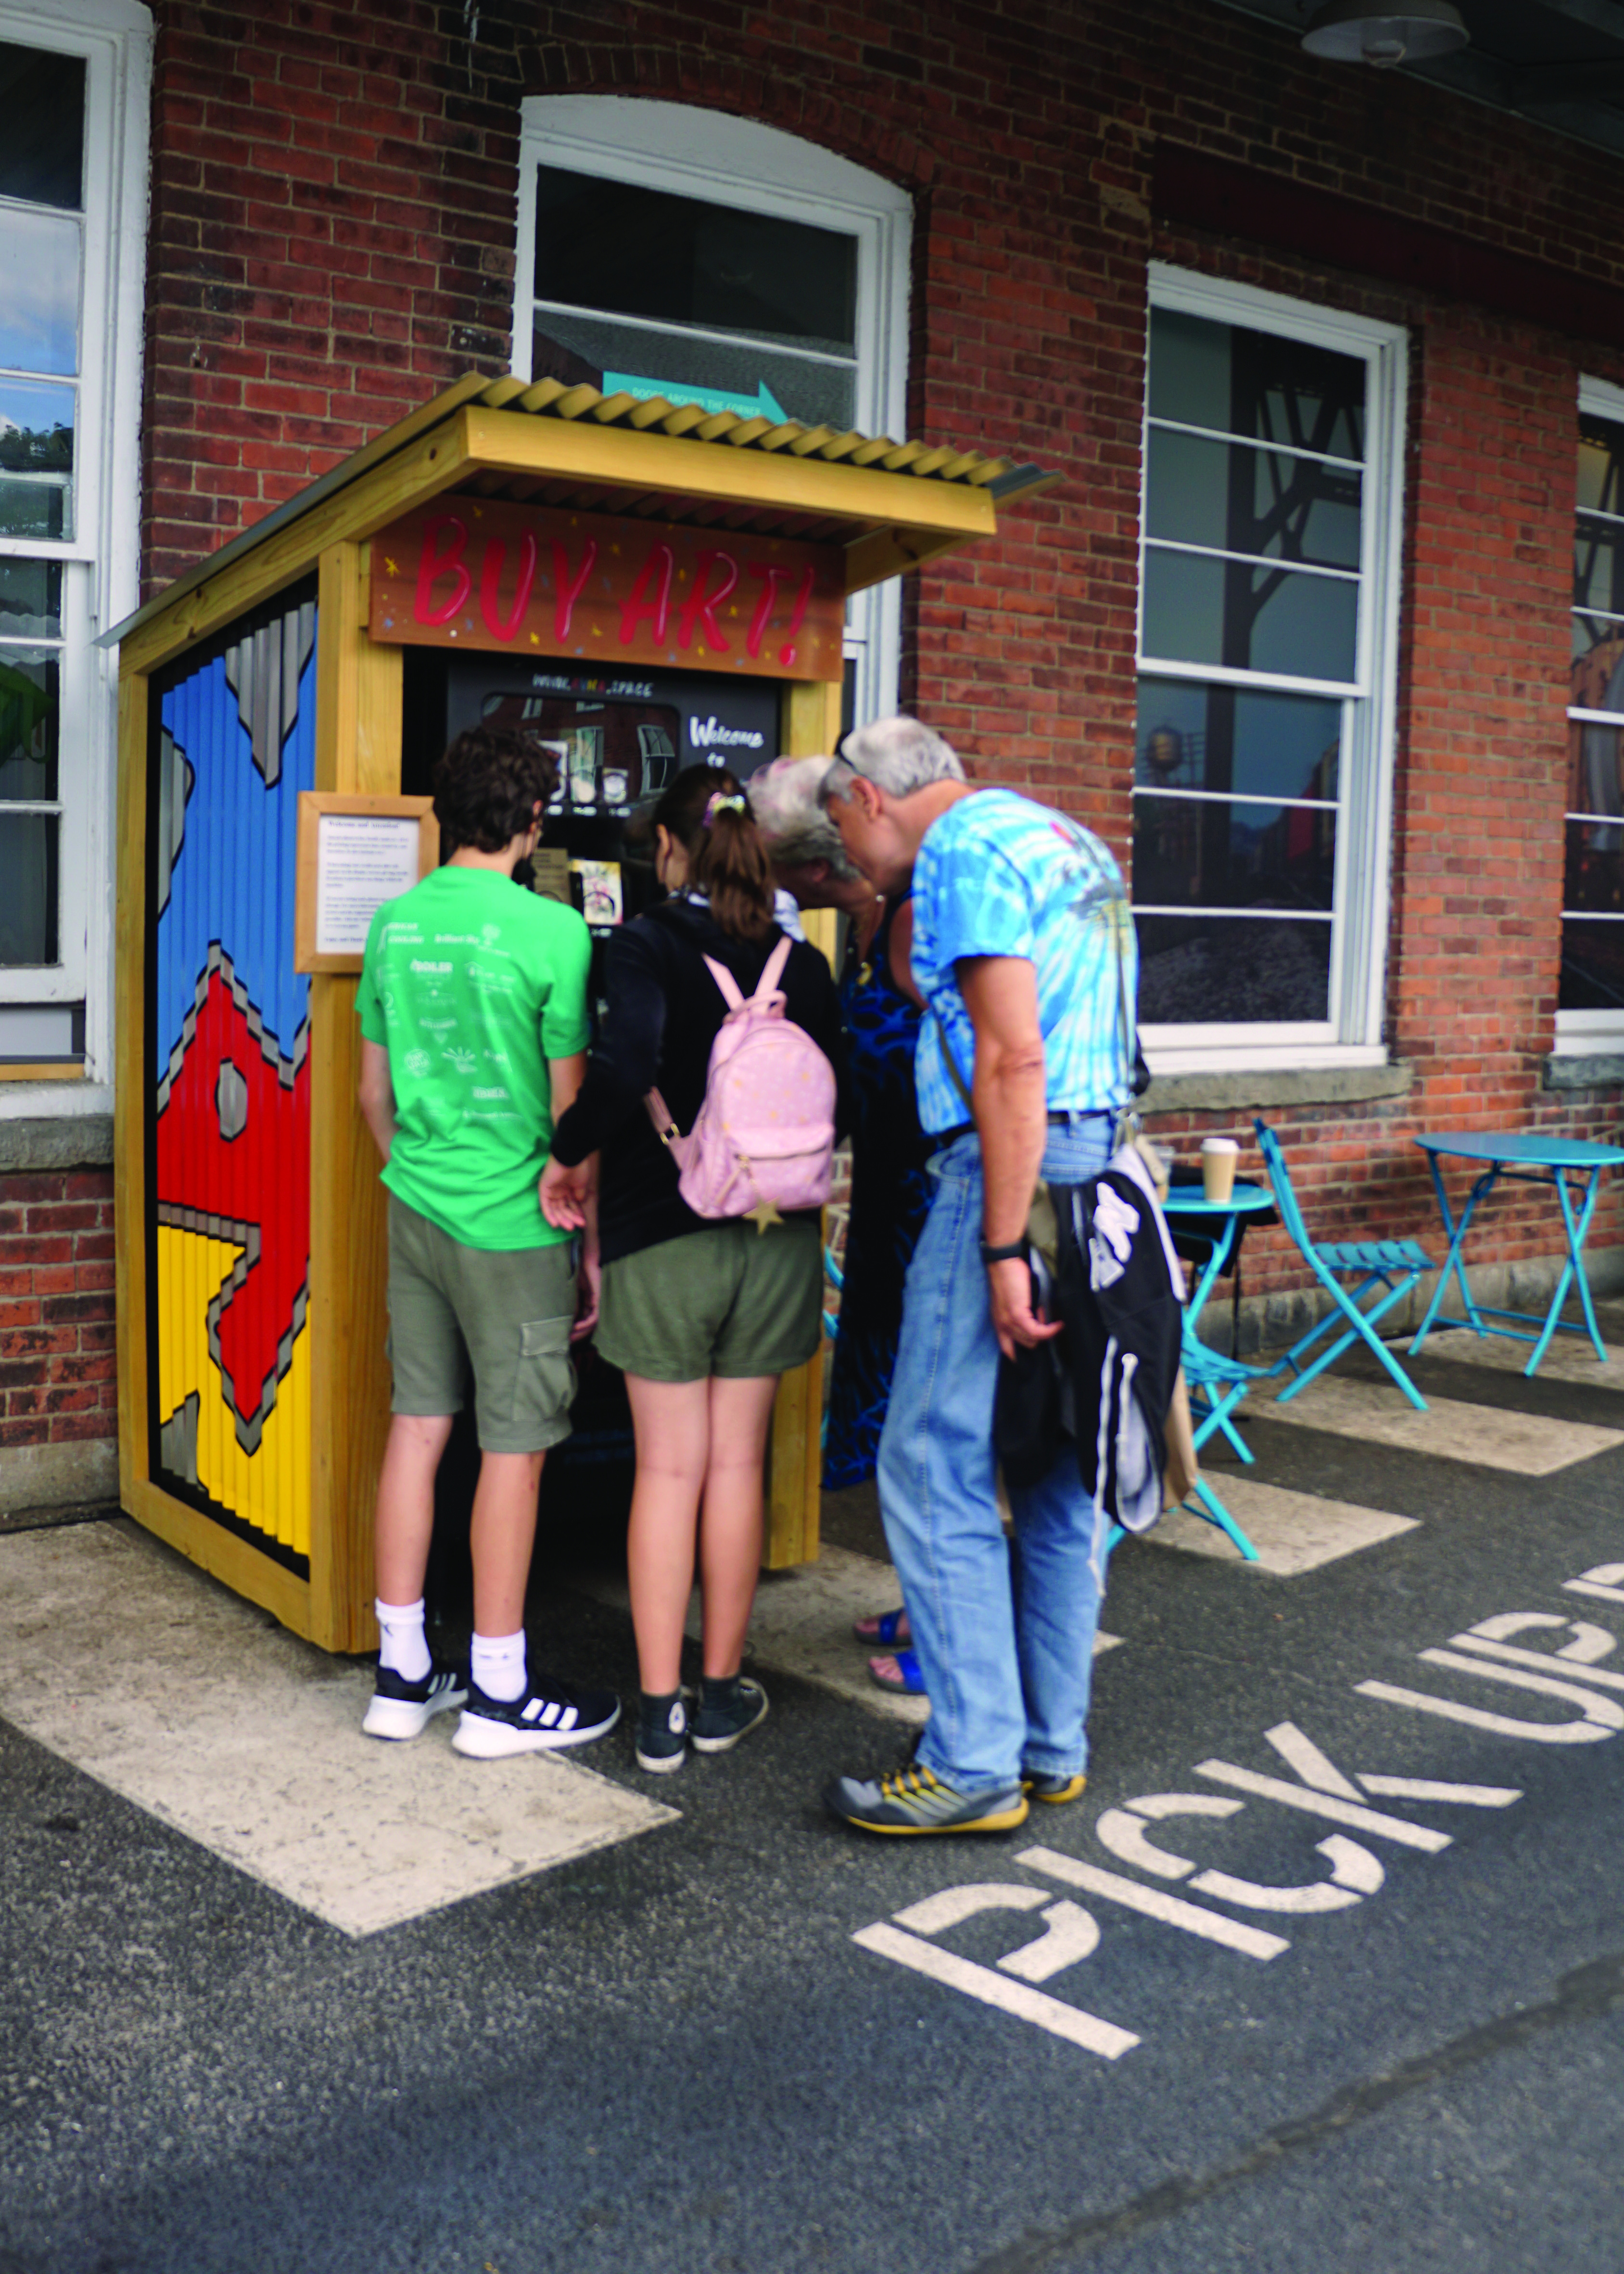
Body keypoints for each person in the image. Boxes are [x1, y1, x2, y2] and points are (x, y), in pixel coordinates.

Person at [817, 717, 1138, 1835]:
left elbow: (1009, 1054)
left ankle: (968, 1762)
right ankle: (1047, 1748)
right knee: (1054, 1468)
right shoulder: (1061, 836)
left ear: (867, 796)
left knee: (925, 1456)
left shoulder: (955, 853)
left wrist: (1002, 1244)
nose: (847, 863)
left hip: (1009, 1170)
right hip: (1094, 1163)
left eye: (841, 833)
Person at [541, 766, 848, 1776]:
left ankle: (660, 1713)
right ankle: (721, 1692)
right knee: (735, 1466)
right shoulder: (803, 963)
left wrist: (568, 1145)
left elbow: (623, 1066)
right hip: (774, 1240)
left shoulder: (641, 943)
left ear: (667, 849)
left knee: (666, 1469)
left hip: (663, 1232)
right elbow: (840, 1099)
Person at [355, 725, 621, 1760]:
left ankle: (400, 1673)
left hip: (414, 1205)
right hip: (513, 1224)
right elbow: (571, 1125)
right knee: (512, 1449)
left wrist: (413, 1169)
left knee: (417, 1428)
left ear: (442, 811)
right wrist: (585, 1233)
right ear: (532, 821)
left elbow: (373, 1092)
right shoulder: (553, 929)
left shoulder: (392, 923)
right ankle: (501, 1689)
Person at [749, 751, 937, 1695]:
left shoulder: (907, 928)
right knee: (902, 1415)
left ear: (816, 868)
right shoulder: (860, 933)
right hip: (886, 1204)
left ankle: (948, 1629)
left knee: (935, 1420)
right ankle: (926, 1594)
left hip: (931, 1208)